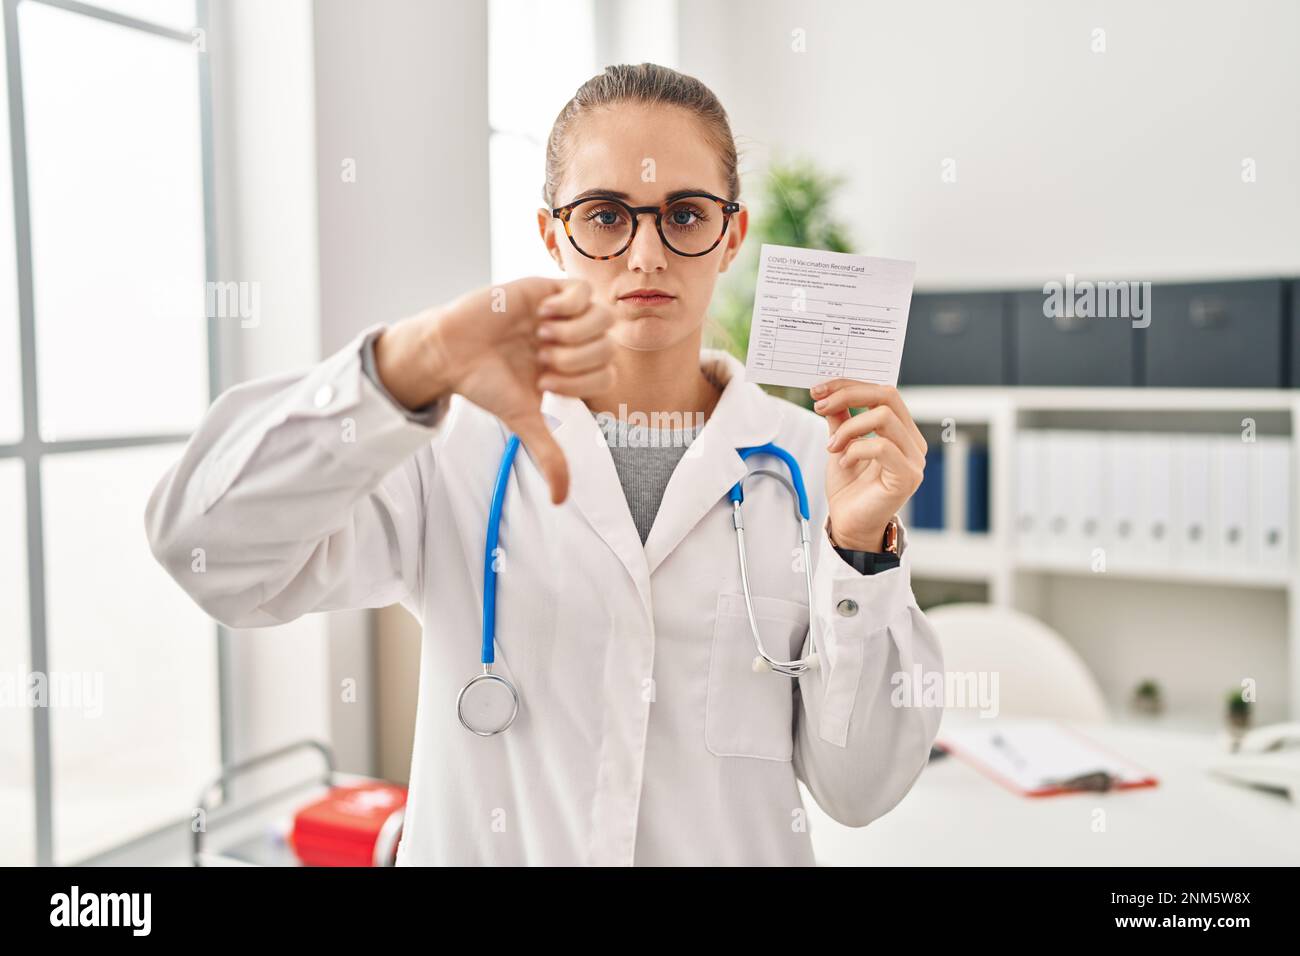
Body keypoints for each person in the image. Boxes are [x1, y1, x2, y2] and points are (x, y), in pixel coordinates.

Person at [146, 62, 944, 866]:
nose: (645, 255)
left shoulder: (817, 468)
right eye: (604, 216)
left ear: (731, 235)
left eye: (685, 214)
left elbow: (860, 789)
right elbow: (208, 554)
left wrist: (859, 552)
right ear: (551, 233)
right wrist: (405, 363)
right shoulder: (454, 444)